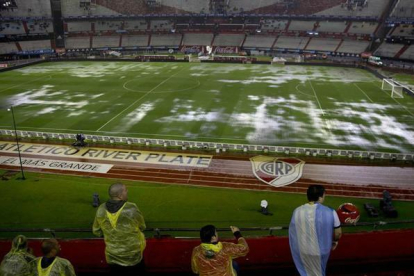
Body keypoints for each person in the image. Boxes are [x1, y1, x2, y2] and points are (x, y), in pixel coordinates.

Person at [93, 183, 146, 275]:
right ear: (120, 195)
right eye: (125, 190)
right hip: (132, 255)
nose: (127, 191)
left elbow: (96, 231)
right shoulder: (131, 208)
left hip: (112, 256)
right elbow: (142, 226)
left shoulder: (101, 209)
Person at [289, 185, 342, 276]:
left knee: (305, 272)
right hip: (322, 251)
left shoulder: (297, 211)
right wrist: (335, 241)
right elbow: (338, 233)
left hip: (302, 250)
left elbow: (293, 231)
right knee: (319, 272)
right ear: (320, 196)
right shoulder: (331, 212)